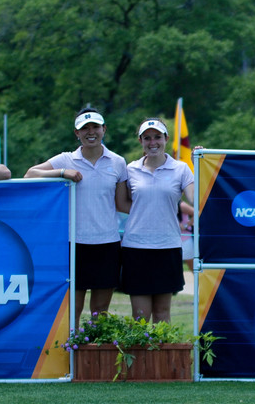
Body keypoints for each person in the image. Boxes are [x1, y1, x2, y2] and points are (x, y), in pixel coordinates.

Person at [24, 105, 127, 323]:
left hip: (107, 243)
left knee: (100, 310)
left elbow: (121, 203)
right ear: (77, 133)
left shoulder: (118, 162)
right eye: (85, 128)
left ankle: (96, 354)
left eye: (96, 127)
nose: (91, 132)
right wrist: (61, 173)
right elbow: (29, 174)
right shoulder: (66, 159)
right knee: (74, 306)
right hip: (74, 243)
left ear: (104, 129)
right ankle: (72, 354)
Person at [115, 119, 194, 323]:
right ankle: (140, 357)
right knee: (140, 316)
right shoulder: (130, 169)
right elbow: (121, 202)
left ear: (166, 139)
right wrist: (146, 211)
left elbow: (196, 198)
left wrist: (200, 162)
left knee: (162, 314)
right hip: (136, 248)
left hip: (167, 247)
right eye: (147, 138)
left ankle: (162, 356)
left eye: (157, 137)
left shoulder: (181, 169)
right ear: (140, 141)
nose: (153, 142)